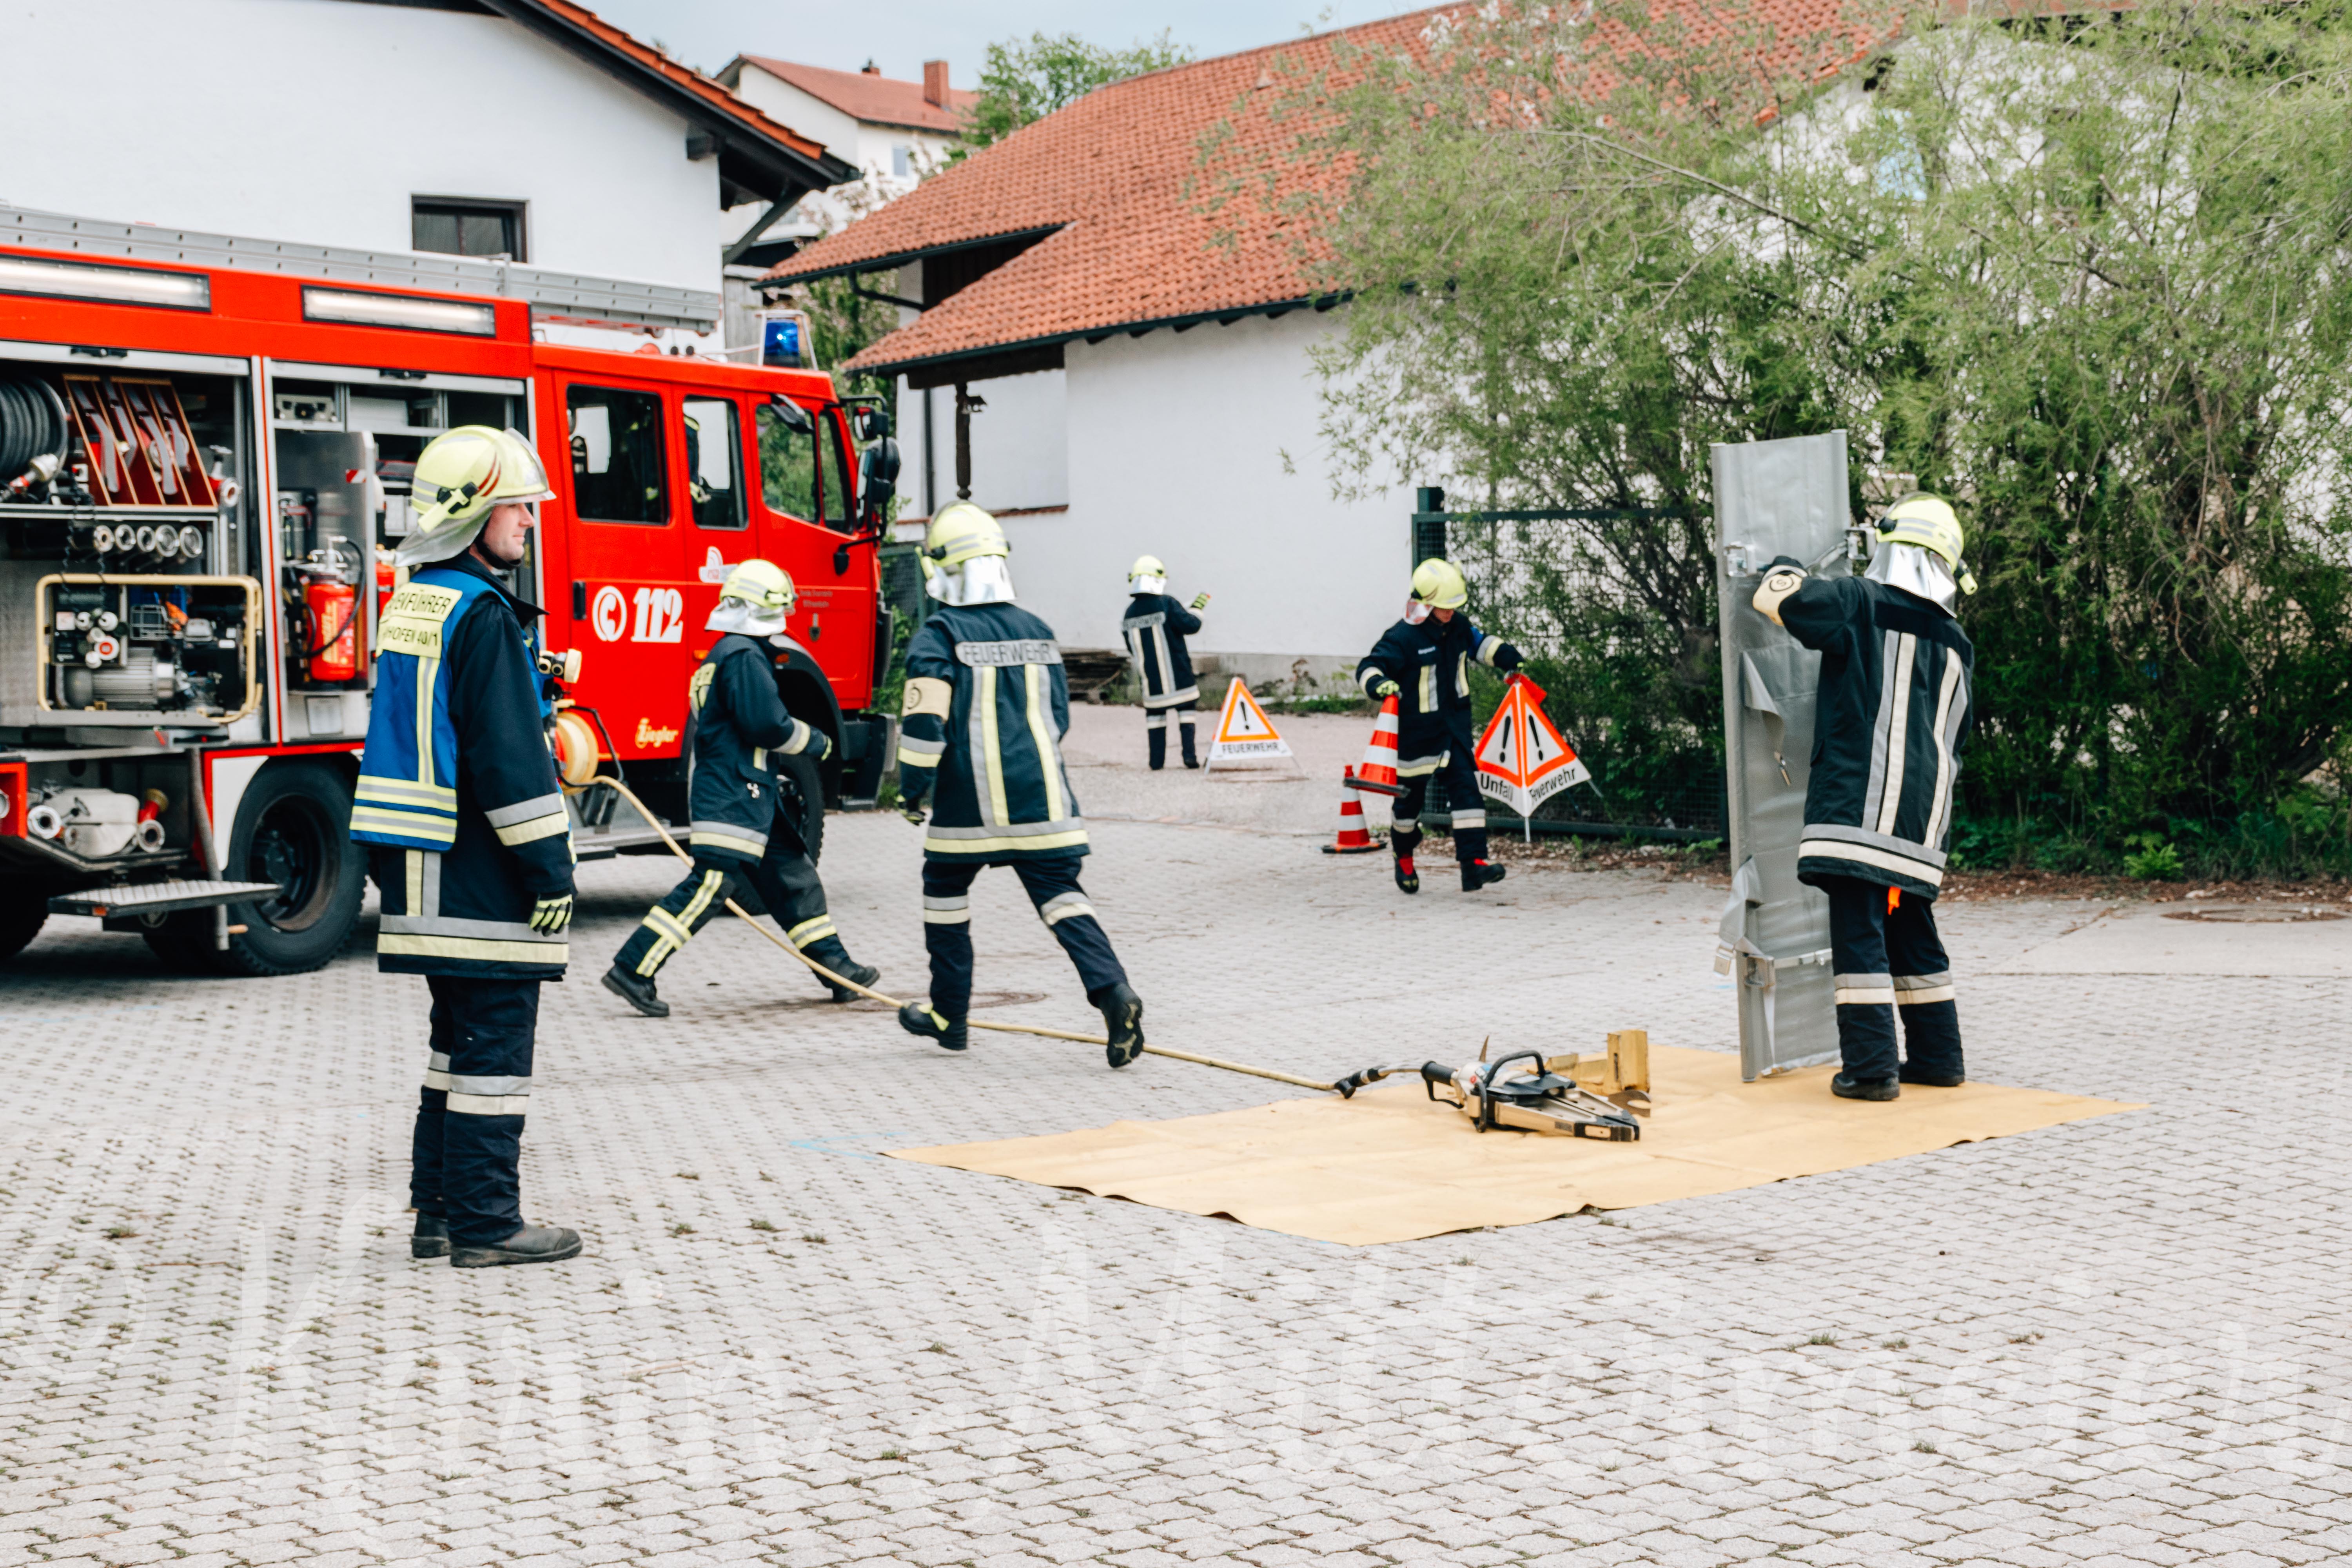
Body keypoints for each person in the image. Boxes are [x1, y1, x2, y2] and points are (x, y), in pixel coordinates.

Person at [352, 426, 580, 1269]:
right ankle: (488, 1224)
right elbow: (508, 760)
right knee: (493, 1046)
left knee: (456, 1045)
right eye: (516, 505)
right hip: (479, 867)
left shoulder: (417, 599)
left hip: (419, 858)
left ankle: (439, 1213)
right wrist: (551, 866)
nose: (528, 519)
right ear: (473, 511)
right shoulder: (482, 613)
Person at [893, 502, 1146, 1066]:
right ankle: (1115, 993)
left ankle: (949, 1018)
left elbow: (924, 730)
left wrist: (912, 792)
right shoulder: (1038, 631)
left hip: (967, 811)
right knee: (1062, 897)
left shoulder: (939, 636)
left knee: (944, 895)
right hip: (1046, 804)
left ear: (943, 569)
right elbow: (1060, 718)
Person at [1753, 492, 1975, 1101]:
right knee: (1912, 934)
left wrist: (1782, 563)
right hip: (1922, 823)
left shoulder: (1857, 603)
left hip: (1858, 813)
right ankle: (1937, 1058)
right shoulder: (1958, 642)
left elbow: (1776, 599)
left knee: (1860, 933)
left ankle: (1871, 1070)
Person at [602, 560, 879, 1018]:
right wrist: (818, 741)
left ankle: (836, 968)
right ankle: (633, 968)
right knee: (711, 884)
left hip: (748, 794)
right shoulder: (744, 657)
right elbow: (767, 726)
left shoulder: (725, 654)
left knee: (795, 877)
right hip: (733, 794)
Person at [1355, 559, 1525, 894]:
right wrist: (1379, 685)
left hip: (1453, 729)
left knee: (1467, 791)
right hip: (1415, 735)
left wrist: (1508, 656)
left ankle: (1473, 865)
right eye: (1443, 608)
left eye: (1453, 608)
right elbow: (1370, 666)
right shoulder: (1402, 637)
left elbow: (1480, 644)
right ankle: (1403, 855)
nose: (1450, 613)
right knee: (1407, 808)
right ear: (1424, 604)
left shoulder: (1458, 626)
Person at [1120, 555, 1209, 769]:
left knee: (1155, 719)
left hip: (1152, 682)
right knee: (1186, 713)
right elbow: (1191, 625)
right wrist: (1198, 607)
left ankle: (1156, 762)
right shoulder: (1167, 603)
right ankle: (1189, 757)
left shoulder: (1129, 613)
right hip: (1179, 677)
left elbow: (1132, 647)